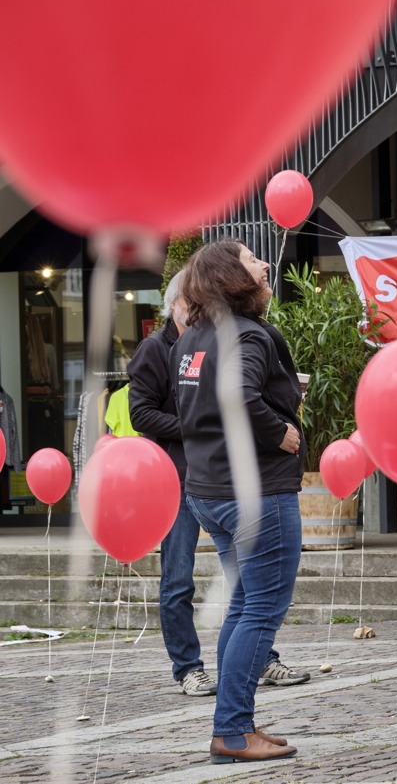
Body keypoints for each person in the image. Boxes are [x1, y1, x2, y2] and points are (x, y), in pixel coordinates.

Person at [129, 268, 309, 698]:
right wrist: (199, 427)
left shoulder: (215, 338)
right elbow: (142, 414)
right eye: (188, 306)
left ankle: (256, 667)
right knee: (180, 580)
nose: (194, 312)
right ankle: (190, 669)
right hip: (182, 478)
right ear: (175, 305)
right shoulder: (160, 349)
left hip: (217, 478)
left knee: (245, 592)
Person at [171, 239, 304, 763]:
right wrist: (281, 432)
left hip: (209, 491)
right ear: (232, 276)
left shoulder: (191, 340)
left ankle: (236, 722)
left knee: (245, 604)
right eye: (253, 259)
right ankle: (231, 730)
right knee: (261, 610)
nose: (265, 263)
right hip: (255, 494)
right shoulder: (248, 336)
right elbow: (241, 396)